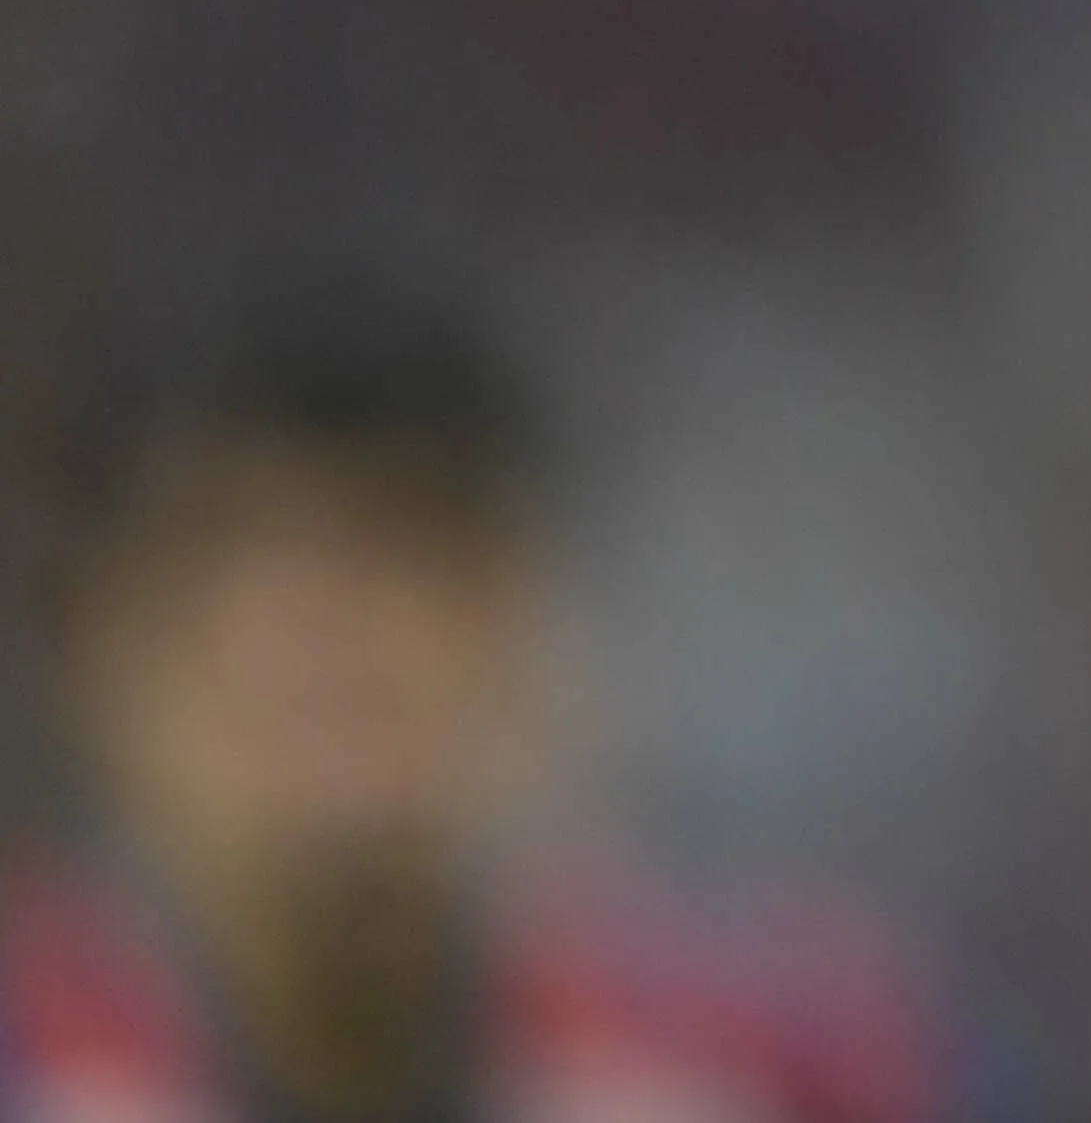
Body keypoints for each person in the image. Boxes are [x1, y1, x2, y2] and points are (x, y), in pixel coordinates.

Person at [4, 283, 955, 1123]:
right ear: (91, 652)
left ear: (533, 624)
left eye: (406, 553)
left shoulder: (788, 1058)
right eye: (223, 560)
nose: (322, 647)